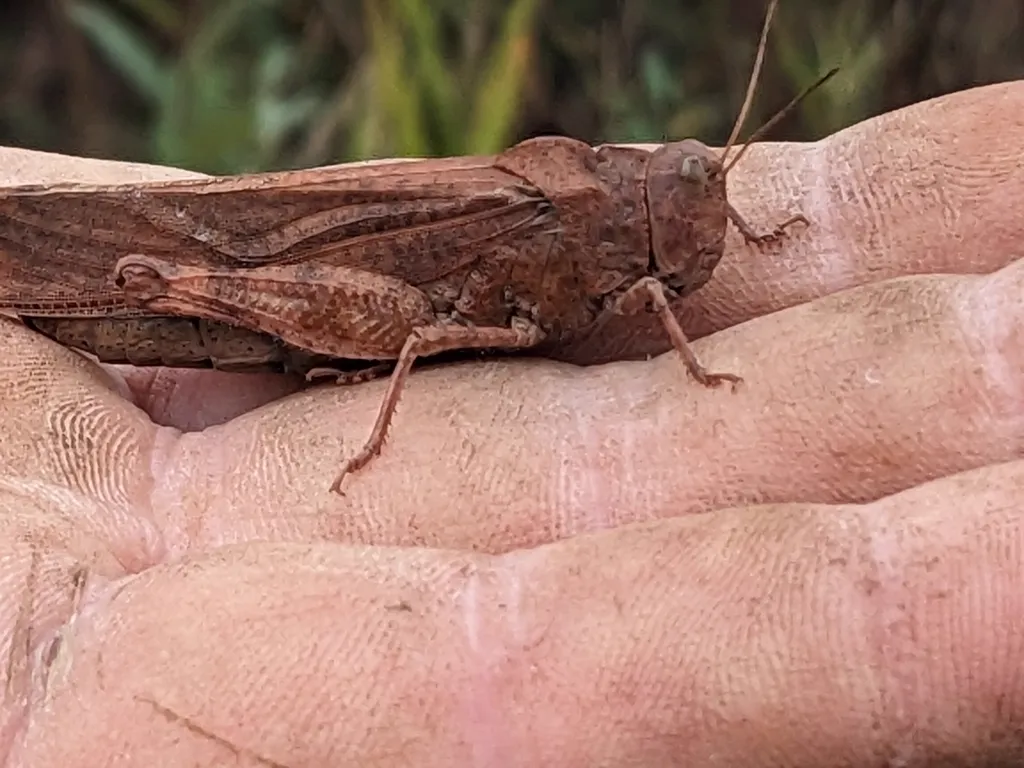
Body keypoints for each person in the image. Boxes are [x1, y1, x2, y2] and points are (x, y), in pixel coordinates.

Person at [1, 79, 1022, 767]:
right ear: (630, 199)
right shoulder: (558, 218)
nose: (702, 208)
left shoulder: (612, 220)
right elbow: (414, 330)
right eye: (685, 191)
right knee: (352, 313)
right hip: (317, 303)